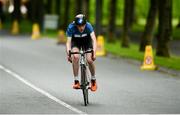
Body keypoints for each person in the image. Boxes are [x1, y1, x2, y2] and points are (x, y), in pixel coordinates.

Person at [66, 14, 97, 92]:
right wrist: (69, 53)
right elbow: (68, 42)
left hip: (87, 42)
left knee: (89, 60)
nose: (81, 28)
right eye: (79, 26)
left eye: (83, 25)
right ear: (75, 24)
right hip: (76, 42)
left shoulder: (89, 26)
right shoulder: (71, 27)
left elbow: (94, 40)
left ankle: (93, 80)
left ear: (85, 24)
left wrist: (94, 53)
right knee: (75, 57)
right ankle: (76, 81)